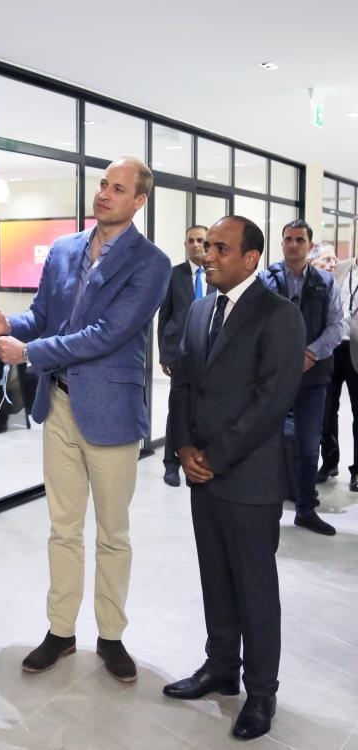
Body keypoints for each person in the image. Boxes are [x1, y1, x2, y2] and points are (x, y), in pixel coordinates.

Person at [0, 157, 171, 682]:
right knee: (63, 528)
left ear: (139, 201)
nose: (104, 193)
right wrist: (9, 323)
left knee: (113, 533)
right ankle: (60, 630)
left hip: (111, 410)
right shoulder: (65, 249)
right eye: (103, 184)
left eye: (118, 188)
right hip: (59, 404)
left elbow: (107, 334)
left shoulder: (150, 263)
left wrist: (28, 351)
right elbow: (43, 317)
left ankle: (111, 636)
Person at [164, 215, 305, 741]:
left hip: (249, 477)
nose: (208, 255)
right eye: (207, 246)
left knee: (254, 588)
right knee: (215, 577)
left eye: (221, 248)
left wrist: (216, 456)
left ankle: (261, 692)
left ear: (250, 259)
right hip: (202, 472)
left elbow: (272, 400)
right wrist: (183, 446)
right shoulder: (201, 309)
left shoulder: (279, 315)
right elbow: (183, 384)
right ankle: (220, 667)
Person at [258, 220, 344, 535]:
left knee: (308, 447)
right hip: (274, 377)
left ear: (309, 245)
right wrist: (282, 357)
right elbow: (256, 323)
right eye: (288, 239)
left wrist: (310, 354)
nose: (293, 244)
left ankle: (306, 509)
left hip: (313, 378)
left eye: (300, 239)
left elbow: (337, 325)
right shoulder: (267, 279)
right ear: (282, 243)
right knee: (268, 444)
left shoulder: (326, 281)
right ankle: (265, 507)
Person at [157, 225, 211, 486]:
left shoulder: (216, 274)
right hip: (179, 353)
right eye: (191, 240)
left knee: (204, 409)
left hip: (209, 353)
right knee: (177, 409)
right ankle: (171, 464)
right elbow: (164, 316)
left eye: (200, 240)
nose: (195, 245)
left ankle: (199, 460)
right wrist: (163, 354)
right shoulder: (174, 274)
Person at [317, 245, 358, 490]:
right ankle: (329, 462)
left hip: (357, 349)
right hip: (331, 347)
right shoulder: (340, 268)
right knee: (327, 411)